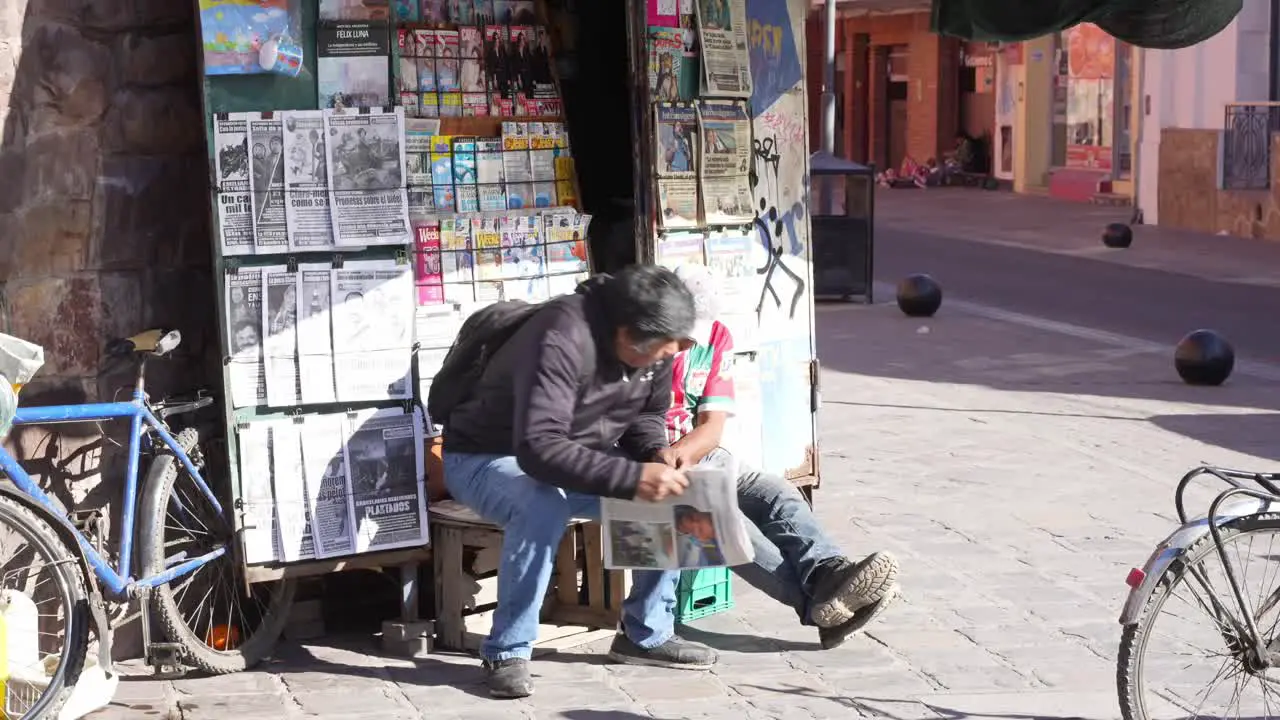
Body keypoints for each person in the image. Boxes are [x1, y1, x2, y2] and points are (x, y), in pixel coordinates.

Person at [441, 265, 716, 699]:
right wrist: (630, 475)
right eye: (662, 350)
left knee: (671, 499)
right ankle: (507, 651)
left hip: (577, 456)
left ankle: (645, 635)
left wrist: (652, 455)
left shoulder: (657, 348)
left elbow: (646, 415)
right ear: (627, 335)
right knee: (541, 505)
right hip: (484, 457)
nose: (668, 357)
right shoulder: (560, 334)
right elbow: (538, 448)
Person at [667, 263, 901, 648]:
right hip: (656, 464)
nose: (689, 343)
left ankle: (829, 573)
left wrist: (687, 454)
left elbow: (712, 425)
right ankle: (818, 607)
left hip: (698, 452)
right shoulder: (643, 342)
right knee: (727, 526)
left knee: (777, 492)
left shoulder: (716, 338)